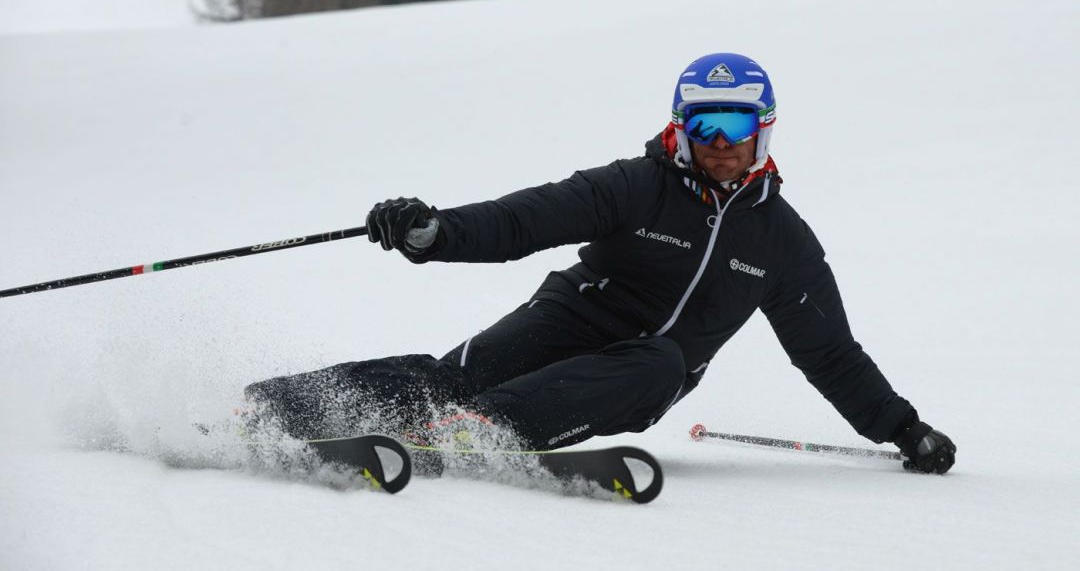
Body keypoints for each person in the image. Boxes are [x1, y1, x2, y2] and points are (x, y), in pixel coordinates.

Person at [245, 53, 956, 474]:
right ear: (680, 128)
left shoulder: (782, 243)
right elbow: (528, 218)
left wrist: (903, 430)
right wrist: (434, 233)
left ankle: (475, 431)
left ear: (762, 130)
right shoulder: (634, 185)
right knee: (446, 378)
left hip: (635, 375)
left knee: (662, 361)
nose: (718, 142)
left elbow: (831, 353)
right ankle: (265, 407)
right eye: (701, 125)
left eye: (734, 125)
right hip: (565, 320)